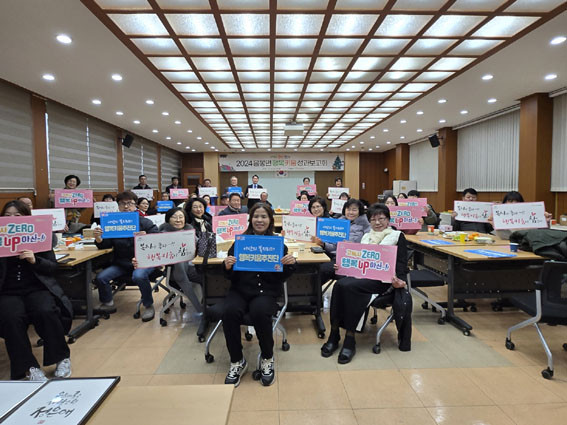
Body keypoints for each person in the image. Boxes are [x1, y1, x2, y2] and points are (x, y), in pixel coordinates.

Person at [321, 203, 411, 364]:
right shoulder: (366, 237)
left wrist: (400, 281)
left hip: (383, 281)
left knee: (350, 287)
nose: (377, 222)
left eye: (381, 219)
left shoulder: (397, 236)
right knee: (339, 285)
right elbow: (358, 260)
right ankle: (334, 334)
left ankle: (350, 339)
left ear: (388, 219)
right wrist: (343, 265)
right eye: (373, 219)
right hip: (363, 277)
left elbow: (402, 264)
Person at [222, 203, 297, 387]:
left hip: (266, 292)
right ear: (250, 219)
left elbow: (282, 276)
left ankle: (267, 358)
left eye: (264, 216)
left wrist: (290, 264)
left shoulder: (277, 244)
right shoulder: (240, 243)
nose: (260, 220)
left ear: (270, 220)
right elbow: (230, 275)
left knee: (260, 312)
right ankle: (237, 361)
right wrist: (227, 266)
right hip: (240, 291)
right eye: (256, 216)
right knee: (229, 311)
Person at [0, 200, 73, 381]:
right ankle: (28, 368)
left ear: (26, 217)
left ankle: (61, 358)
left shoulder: (38, 235)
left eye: (17, 215)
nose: (12, 219)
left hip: (36, 288)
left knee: (46, 311)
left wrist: (35, 260)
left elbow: (52, 267)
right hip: (7, 291)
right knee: (11, 317)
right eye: (7, 216)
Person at [93, 191, 159, 321]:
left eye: (130, 203)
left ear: (136, 205)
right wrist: (98, 238)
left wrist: (147, 237)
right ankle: (108, 303)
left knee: (139, 276)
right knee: (101, 277)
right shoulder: (112, 223)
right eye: (122, 203)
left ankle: (148, 305)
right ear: (118, 206)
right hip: (121, 263)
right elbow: (106, 245)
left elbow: (158, 240)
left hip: (143, 262)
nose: (126, 206)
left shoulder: (145, 222)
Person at [155, 208, 203, 312]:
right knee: (207, 277)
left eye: (181, 217)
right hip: (176, 271)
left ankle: (209, 303)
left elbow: (199, 245)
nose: (178, 220)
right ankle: (202, 308)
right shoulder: (162, 235)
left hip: (193, 265)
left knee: (211, 275)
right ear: (168, 219)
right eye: (174, 217)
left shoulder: (189, 230)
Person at [317, 198, 370, 284]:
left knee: (326, 272)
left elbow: (369, 246)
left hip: (353, 261)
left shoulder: (366, 226)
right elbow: (333, 246)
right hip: (336, 257)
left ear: (359, 211)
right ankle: (313, 292)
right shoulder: (339, 223)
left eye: (354, 210)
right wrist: (323, 244)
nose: (351, 212)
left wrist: (353, 246)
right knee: (316, 269)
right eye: (348, 209)